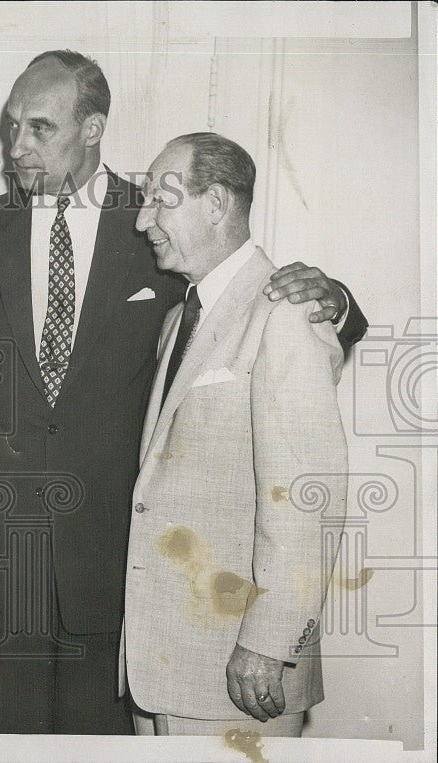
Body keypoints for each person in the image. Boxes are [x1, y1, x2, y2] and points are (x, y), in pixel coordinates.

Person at [0, 50, 367, 734]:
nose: (16, 146)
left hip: (126, 579)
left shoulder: (164, 226)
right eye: (10, 126)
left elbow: (253, 311)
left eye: (39, 128)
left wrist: (336, 299)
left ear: (93, 127)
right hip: (4, 566)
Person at [123, 132, 346, 736]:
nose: (144, 221)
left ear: (217, 203)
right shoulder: (179, 320)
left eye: (159, 202)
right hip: (164, 665)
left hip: (241, 674)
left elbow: (307, 497)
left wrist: (270, 643)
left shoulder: (286, 313)